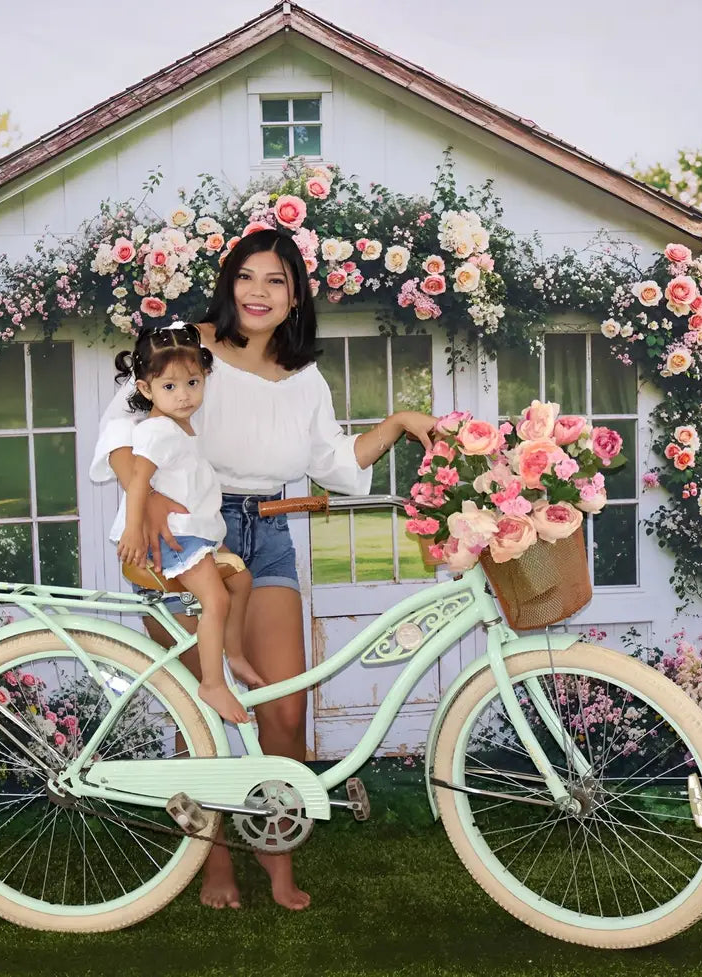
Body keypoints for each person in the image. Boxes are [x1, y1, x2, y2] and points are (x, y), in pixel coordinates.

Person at [90, 227, 436, 912]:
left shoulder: (304, 375)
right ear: (228, 283)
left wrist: (395, 423)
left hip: (269, 531)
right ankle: (214, 862)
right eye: (246, 276)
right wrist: (148, 497)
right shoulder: (186, 346)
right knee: (206, 709)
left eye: (275, 280)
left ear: (295, 295)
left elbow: (334, 463)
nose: (258, 292)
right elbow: (120, 434)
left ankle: (275, 855)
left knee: (283, 706)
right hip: (188, 532)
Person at [111, 323, 264, 724]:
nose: (183, 395)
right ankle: (213, 682)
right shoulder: (159, 431)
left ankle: (235, 654)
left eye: (192, 383)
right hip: (176, 539)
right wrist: (132, 528)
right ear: (145, 390)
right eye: (169, 387)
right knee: (216, 600)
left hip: (193, 532)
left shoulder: (181, 429)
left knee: (240, 581)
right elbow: (139, 482)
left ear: (204, 378)